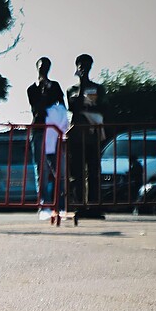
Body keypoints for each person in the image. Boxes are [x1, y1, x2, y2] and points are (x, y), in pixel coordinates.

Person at [66, 54, 107, 221]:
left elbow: (101, 107)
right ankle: (79, 205)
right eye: (81, 65)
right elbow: (74, 108)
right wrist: (82, 86)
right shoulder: (71, 90)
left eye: (87, 65)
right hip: (77, 136)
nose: (84, 68)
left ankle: (94, 205)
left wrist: (88, 106)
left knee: (94, 172)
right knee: (77, 173)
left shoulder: (98, 88)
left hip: (92, 135)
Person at [27, 57, 69, 218]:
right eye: (41, 67)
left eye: (46, 67)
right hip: (39, 130)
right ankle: (44, 204)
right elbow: (37, 109)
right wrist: (44, 93)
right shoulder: (32, 89)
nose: (44, 69)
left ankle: (61, 205)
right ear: (37, 68)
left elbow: (62, 105)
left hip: (53, 131)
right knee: (41, 169)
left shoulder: (55, 86)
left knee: (59, 169)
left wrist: (51, 91)